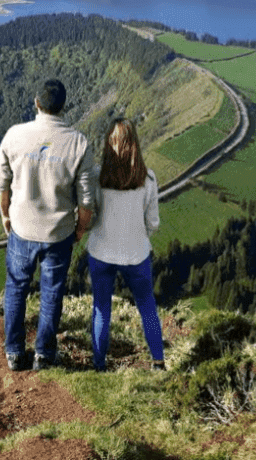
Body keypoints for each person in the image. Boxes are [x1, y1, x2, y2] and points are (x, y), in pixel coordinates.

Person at [0, 78, 94, 371]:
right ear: (63, 107)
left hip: (22, 229)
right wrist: (80, 228)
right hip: (59, 233)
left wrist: (5, 215)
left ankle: (13, 352)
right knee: (51, 293)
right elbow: (87, 198)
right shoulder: (78, 142)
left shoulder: (14, 135)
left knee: (16, 288)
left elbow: (1, 182)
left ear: (37, 103)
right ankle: (44, 355)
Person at [87, 117, 164, 371]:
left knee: (101, 310)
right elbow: (153, 222)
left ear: (110, 143)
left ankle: (99, 364)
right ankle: (158, 362)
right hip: (136, 254)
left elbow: (92, 215)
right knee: (147, 308)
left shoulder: (98, 177)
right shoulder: (149, 179)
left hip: (101, 251)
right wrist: (138, 236)